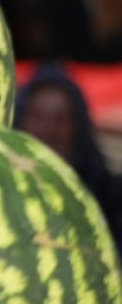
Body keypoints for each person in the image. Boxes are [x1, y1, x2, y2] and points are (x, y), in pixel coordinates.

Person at [14, 62, 122, 249]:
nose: (48, 129)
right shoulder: (4, 190)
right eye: (38, 116)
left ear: (77, 129)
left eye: (59, 119)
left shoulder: (108, 196)